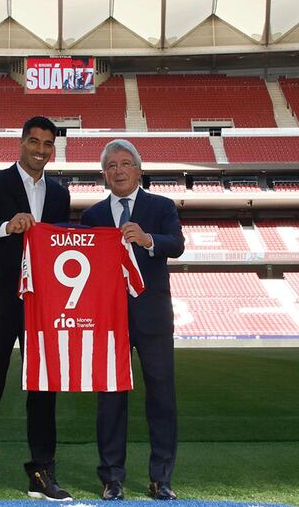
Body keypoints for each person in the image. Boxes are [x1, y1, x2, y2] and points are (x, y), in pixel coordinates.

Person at [0, 116, 72, 502]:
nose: (40, 150)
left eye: (47, 144)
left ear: (53, 149)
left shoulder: (60, 193)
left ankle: (42, 472)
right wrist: (7, 225)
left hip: (43, 303)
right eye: (34, 141)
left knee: (44, 388)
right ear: (21, 143)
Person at [80, 139, 185, 501]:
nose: (119, 170)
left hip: (153, 317)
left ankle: (161, 478)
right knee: (110, 399)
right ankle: (111, 478)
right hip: (108, 320)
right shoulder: (91, 216)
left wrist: (147, 239)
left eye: (126, 163)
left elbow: (176, 244)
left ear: (138, 170)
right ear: (104, 175)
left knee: (161, 397)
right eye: (111, 166)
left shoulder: (162, 206)